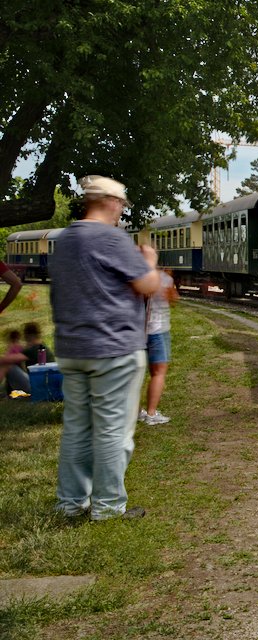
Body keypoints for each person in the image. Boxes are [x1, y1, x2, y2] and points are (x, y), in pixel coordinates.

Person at [51, 175, 159, 521]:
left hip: (72, 347)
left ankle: (70, 503)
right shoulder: (111, 238)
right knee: (113, 430)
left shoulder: (65, 238)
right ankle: (109, 507)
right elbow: (147, 285)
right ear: (111, 202)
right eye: (122, 205)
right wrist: (150, 261)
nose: (122, 212)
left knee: (77, 429)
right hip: (113, 348)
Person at [139, 246, 179, 426]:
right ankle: (151, 414)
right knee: (158, 373)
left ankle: (136, 412)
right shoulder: (163, 278)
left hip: (138, 332)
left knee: (138, 374)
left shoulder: (135, 279)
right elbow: (173, 299)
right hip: (158, 330)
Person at [3, 328, 30, 394]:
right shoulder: (20, 346)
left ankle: (10, 392)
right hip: (18, 364)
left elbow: (7, 356)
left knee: (9, 381)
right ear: (18, 337)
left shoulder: (11, 346)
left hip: (13, 364)